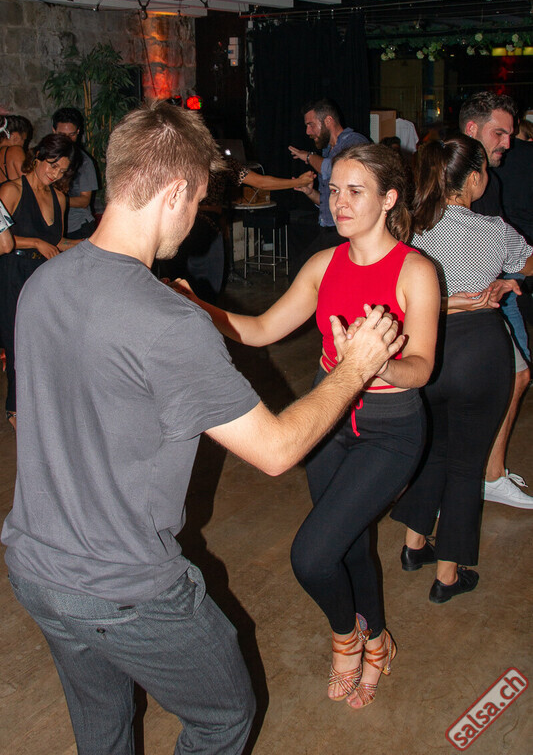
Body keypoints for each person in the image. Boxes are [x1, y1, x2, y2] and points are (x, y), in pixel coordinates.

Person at [1, 102, 405, 755]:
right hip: (127, 589)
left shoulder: (45, 284)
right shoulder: (167, 323)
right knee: (224, 717)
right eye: (195, 203)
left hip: (36, 571)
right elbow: (276, 450)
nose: (194, 220)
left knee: (103, 727)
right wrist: (356, 366)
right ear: (173, 193)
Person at [174, 142, 440, 710]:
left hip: (391, 430)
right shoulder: (323, 265)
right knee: (349, 542)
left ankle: (346, 637)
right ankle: (374, 639)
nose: (339, 202)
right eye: (334, 190)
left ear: (389, 199)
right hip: (330, 421)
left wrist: (372, 364)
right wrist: (196, 308)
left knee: (312, 556)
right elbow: (260, 329)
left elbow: (421, 368)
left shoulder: (416, 271)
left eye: (355, 191)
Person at [391, 135, 533, 604]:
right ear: (473, 178)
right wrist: (506, 281)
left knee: (433, 450)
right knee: (467, 466)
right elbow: (530, 262)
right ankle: (448, 576)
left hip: (424, 353)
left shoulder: (409, 230)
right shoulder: (494, 231)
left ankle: (414, 547)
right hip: (479, 354)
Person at [459, 91, 532, 508]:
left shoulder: (490, 178)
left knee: (514, 376)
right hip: (470, 298)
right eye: (499, 133)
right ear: (473, 129)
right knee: (511, 376)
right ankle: (483, 475)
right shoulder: (460, 174)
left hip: (491, 290)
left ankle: (485, 472)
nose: (508, 142)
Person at [0, 133, 79, 429]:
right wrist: (34, 242)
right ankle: (15, 409)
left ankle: (42, 406)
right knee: (17, 344)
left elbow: (57, 242)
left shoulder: (59, 197)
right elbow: (3, 241)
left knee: (45, 345)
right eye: (52, 165)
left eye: (62, 171)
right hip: (13, 272)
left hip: (44, 277)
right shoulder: (12, 190)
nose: (55, 174)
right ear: (38, 157)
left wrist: (89, 243)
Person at [158, 154, 314, 301]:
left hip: (176, 228)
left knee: (174, 290)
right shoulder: (219, 160)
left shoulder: (176, 157)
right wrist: (298, 182)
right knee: (203, 294)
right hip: (203, 230)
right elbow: (261, 182)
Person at [287, 97, 368, 278]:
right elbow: (327, 201)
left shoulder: (354, 142)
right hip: (329, 230)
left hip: (348, 233)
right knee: (300, 274)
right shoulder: (328, 151)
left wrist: (308, 157)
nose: (308, 131)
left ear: (328, 121)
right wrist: (310, 192)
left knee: (304, 275)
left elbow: (335, 168)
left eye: (311, 125)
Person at [52, 107, 99, 239]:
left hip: (77, 226)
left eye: (71, 135)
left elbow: (85, 201)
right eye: (62, 135)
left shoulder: (84, 162)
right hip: (52, 225)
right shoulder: (47, 156)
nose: (67, 139)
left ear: (78, 132)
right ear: (54, 131)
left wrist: (52, 199)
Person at [0, 115, 33, 184]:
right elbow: (31, 183)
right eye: (23, 140)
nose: (23, 144)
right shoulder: (15, 151)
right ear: (15, 137)